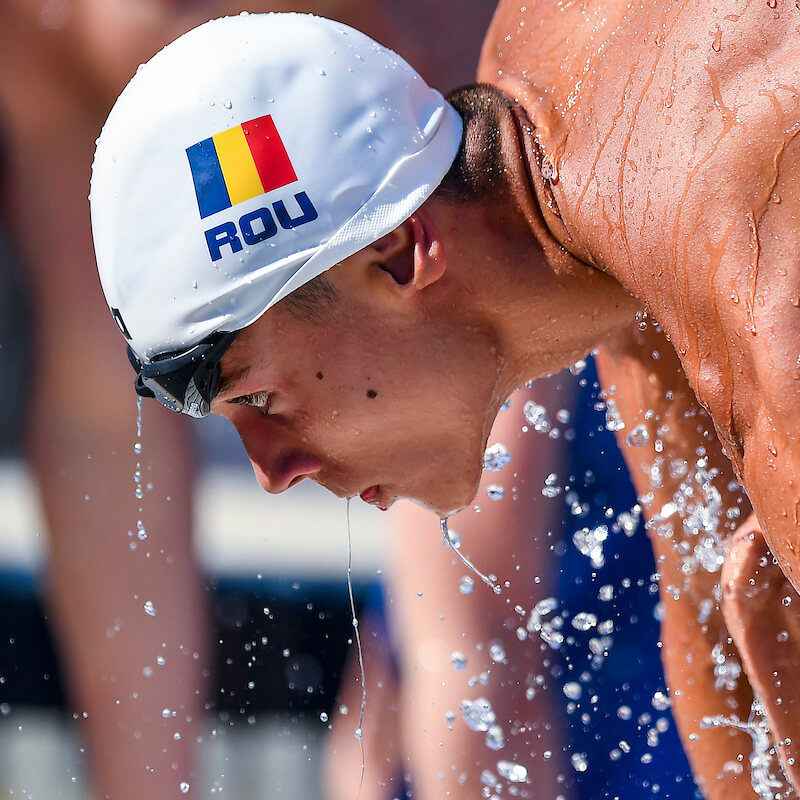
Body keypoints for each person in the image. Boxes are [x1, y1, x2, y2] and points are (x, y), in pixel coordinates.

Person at [88, 7, 800, 800]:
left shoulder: (747, 250)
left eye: (262, 396)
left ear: (401, 250)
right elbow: (709, 613)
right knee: (794, 608)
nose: (271, 469)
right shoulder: (573, 160)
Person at [0, 1, 496, 797]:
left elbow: (494, 265)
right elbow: (103, 419)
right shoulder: (53, 27)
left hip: (531, 361)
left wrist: (446, 662)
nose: (269, 477)